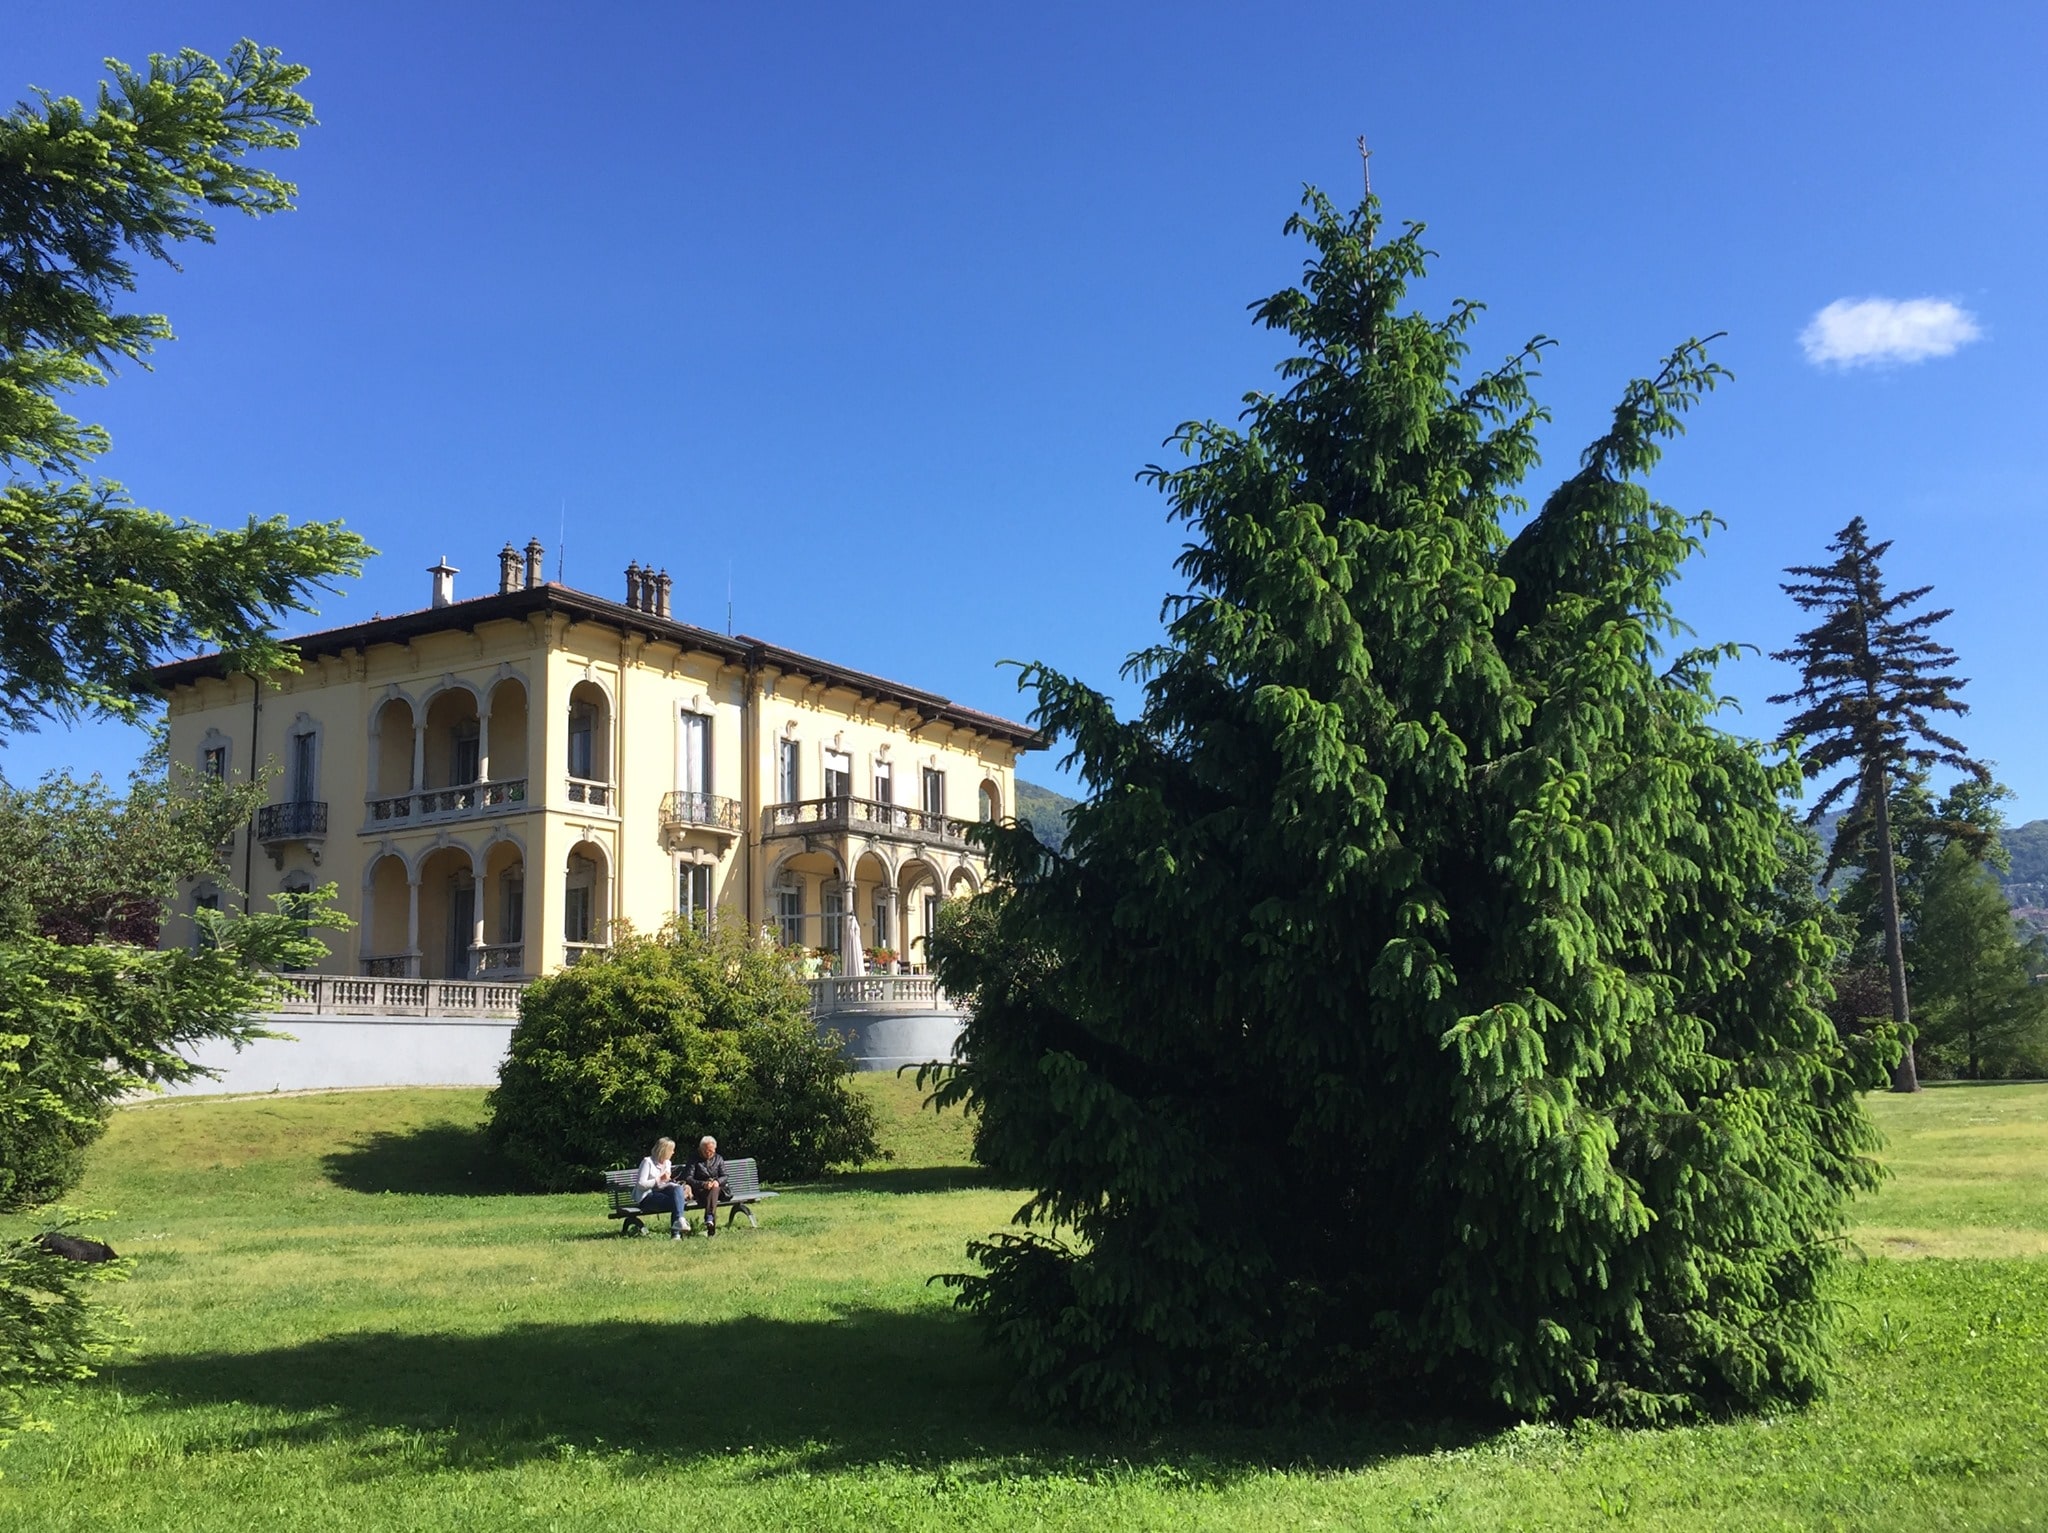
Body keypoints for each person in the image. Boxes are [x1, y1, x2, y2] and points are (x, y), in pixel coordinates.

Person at [635, 1136, 693, 1239]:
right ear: (664, 1150)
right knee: (678, 1203)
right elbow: (641, 1184)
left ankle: (679, 1223)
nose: (673, 1152)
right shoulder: (647, 1162)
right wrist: (659, 1179)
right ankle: (676, 1233)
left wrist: (672, 1184)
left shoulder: (667, 1163)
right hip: (647, 1197)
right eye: (672, 1150)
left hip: (661, 1193)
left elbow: (663, 1184)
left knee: (678, 1190)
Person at [685, 1135, 729, 1237]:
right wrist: (703, 1184)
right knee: (712, 1194)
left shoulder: (719, 1158)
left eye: (711, 1151)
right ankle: (710, 1226)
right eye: (706, 1151)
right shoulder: (694, 1159)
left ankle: (709, 1217)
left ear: (715, 1149)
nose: (709, 1153)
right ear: (701, 1149)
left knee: (715, 1188)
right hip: (701, 1191)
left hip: (719, 1191)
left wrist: (717, 1181)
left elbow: (725, 1175)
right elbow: (688, 1178)